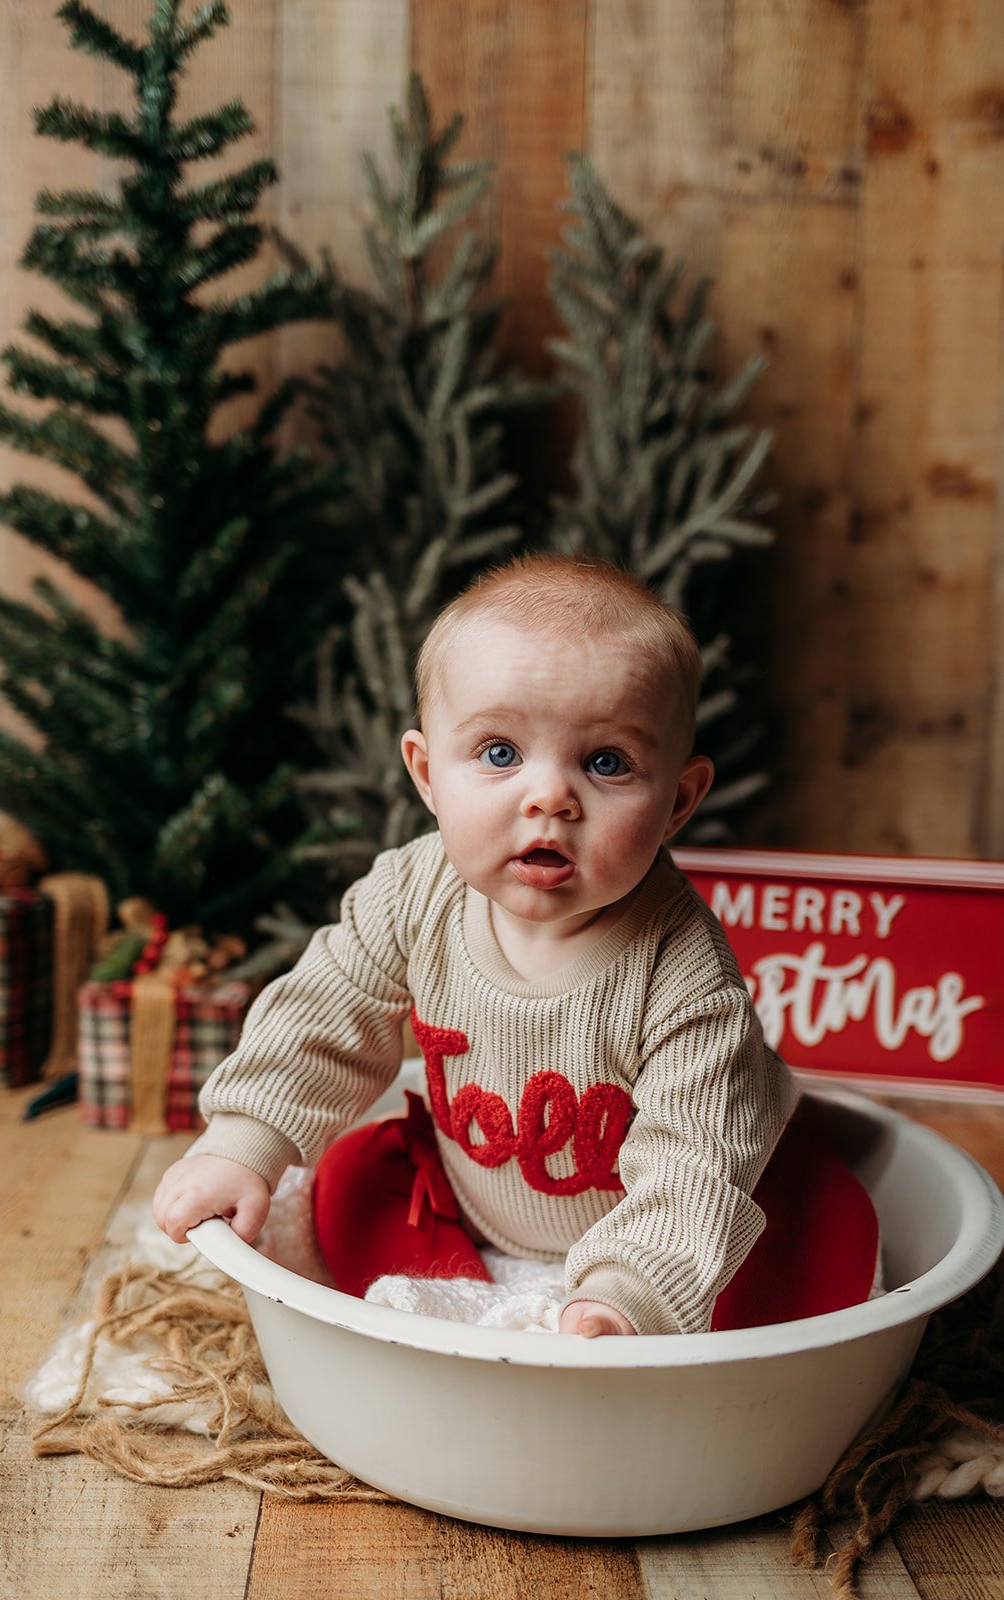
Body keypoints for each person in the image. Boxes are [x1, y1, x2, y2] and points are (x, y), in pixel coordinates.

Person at [153, 553, 797, 1336]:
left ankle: (598, 1305)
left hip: (634, 1227)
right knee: (351, 1178)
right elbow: (323, 1016)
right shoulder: (413, 894)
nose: (550, 797)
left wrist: (631, 1293)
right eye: (500, 752)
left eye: (606, 763)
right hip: (466, 1201)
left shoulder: (681, 970)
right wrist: (244, 1143)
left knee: (781, 1233)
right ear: (427, 774)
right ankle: (450, 1311)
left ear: (678, 801)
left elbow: (696, 1155)